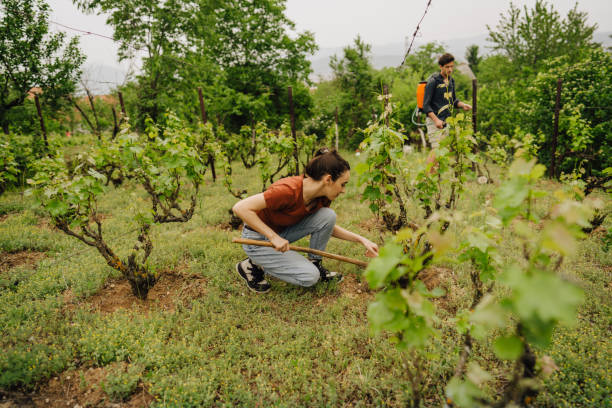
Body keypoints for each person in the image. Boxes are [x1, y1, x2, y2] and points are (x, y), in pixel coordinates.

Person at [232, 148, 379, 293]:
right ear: (328, 179)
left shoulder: (322, 196)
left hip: (282, 233)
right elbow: (240, 207)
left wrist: (362, 240)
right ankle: (252, 265)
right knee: (309, 277)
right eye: (343, 184)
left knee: (328, 216)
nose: (343, 190)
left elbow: (327, 226)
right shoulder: (287, 190)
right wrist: (273, 237)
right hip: (257, 239)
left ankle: (315, 263)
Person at [422, 53, 472, 150]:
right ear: (441, 67)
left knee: (443, 152)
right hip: (434, 122)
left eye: (452, 67)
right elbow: (426, 106)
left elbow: (453, 100)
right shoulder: (433, 82)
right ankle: (428, 166)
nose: (450, 69)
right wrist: (436, 120)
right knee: (436, 152)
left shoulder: (451, 81)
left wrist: (463, 105)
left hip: (446, 122)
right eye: (447, 67)